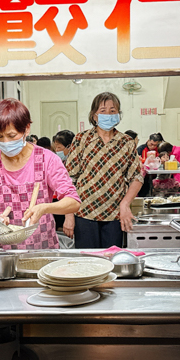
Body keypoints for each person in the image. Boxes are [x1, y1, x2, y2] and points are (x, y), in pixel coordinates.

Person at [0, 99, 80, 250]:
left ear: (27, 129)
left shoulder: (47, 159)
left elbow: (73, 202)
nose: (6, 142)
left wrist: (44, 208)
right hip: (2, 254)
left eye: (11, 136)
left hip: (43, 250)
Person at [64, 92, 144, 249]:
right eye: (103, 110)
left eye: (113, 111)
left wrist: (125, 204)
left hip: (115, 215)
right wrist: (69, 215)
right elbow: (69, 179)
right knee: (88, 265)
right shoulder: (81, 139)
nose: (108, 114)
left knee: (112, 262)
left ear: (118, 115)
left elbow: (136, 177)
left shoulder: (126, 142)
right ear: (94, 115)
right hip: (84, 213)